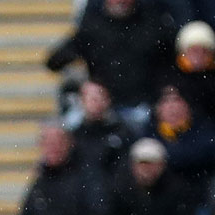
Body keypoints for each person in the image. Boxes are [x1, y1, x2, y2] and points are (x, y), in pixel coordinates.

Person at [43, 0, 177, 123]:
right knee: (71, 123)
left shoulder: (151, 23)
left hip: (144, 105)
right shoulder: (93, 27)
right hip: (103, 107)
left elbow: (170, 60)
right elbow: (54, 61)